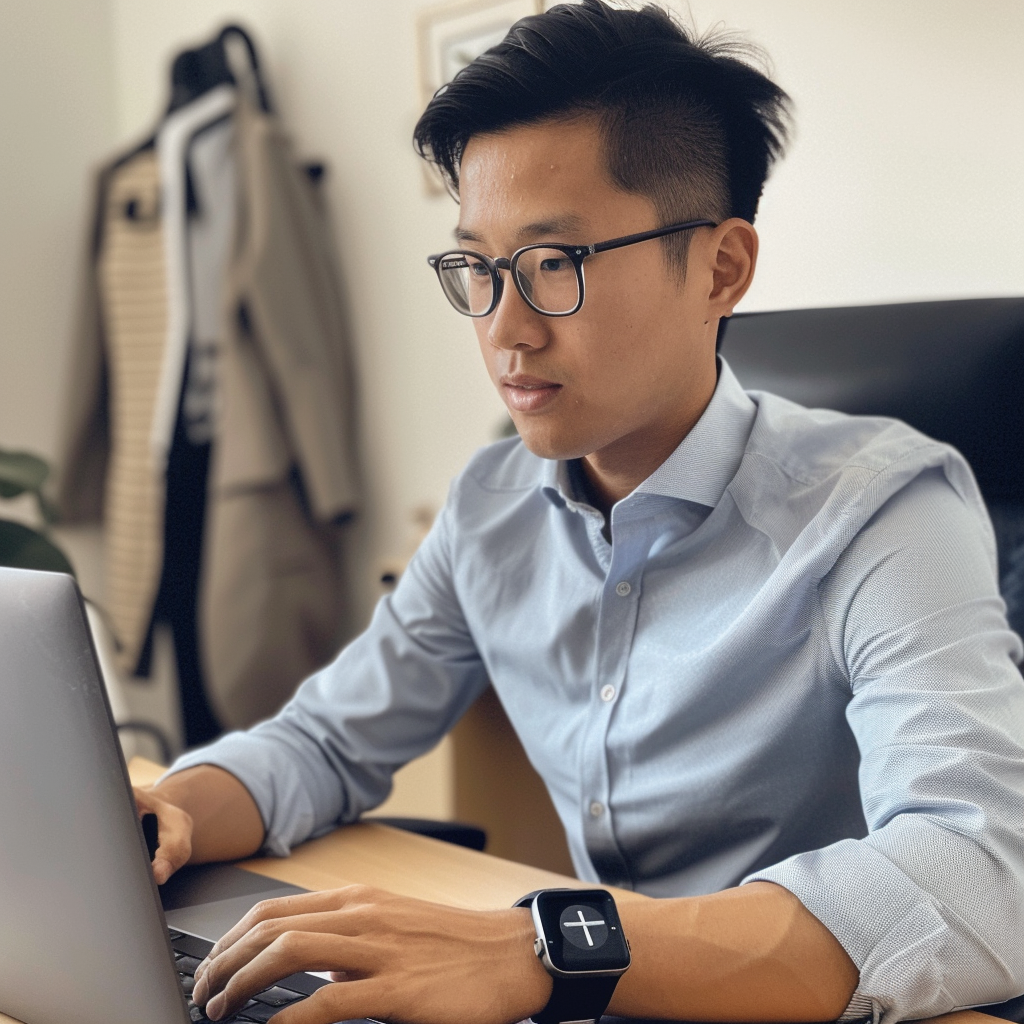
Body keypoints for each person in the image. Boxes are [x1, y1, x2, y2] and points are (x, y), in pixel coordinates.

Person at [134, 3, 1024, 1023]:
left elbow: (978, 871)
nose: (505, 329)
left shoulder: (885, 509)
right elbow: (326, 742)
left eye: (554, 264)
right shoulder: (491, 498)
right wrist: (171, 814)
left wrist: (548, 944)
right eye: (477, 266)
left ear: (722, 267)